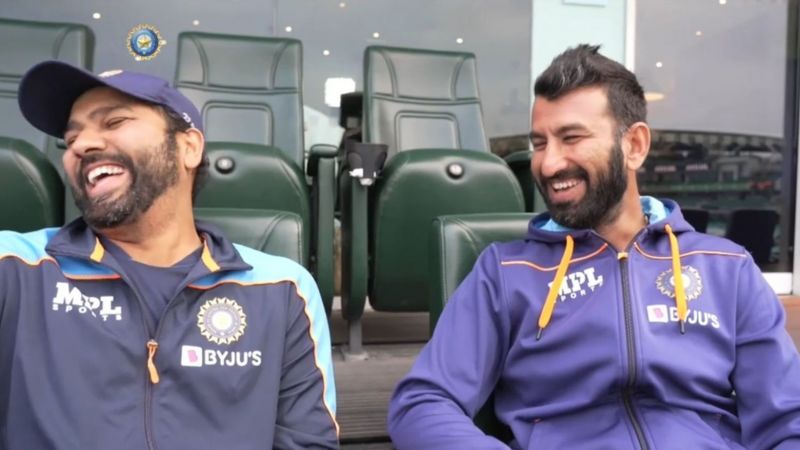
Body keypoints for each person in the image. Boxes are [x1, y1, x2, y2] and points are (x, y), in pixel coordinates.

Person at [387, 44, 800, 449]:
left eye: (571, 138)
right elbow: (422, 404)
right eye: (540, 143)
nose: (549, 164)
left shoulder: (725, 267)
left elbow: (787, 420)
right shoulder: (506, 272)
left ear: (635, 145)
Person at [0, 61, 339, 449]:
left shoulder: (282, 288)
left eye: (113, 122)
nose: (81, 145)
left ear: (189, 146)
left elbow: (306, 440)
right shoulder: (16, 267)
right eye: (70, 137)